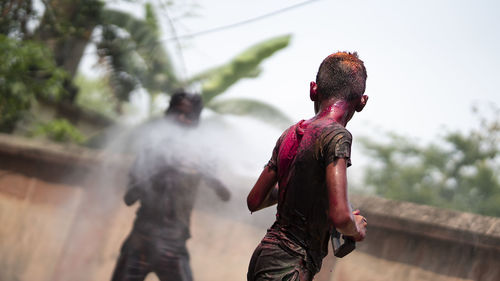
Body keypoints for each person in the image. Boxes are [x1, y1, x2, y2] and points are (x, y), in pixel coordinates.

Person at [246, 52, 369, 281]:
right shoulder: (337, 136)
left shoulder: (290, 134)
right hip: (289, 266)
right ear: (362, 102)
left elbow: (254, 200)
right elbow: (341, 217)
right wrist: (357, 228)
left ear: (313, 89)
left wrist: (299, 190)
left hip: (265, 256)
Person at [111, 91, 231, 281]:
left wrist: (208, 173)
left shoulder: (202, 154)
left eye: (189, 116)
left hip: (174, 245)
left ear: (196, 121)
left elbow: (225, 195)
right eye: (177, 113)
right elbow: (129, 198)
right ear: (168, 115)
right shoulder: (150, 151)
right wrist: (160, 169)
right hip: (140, 242)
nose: (182, 120)